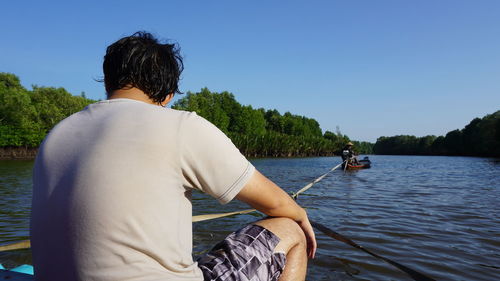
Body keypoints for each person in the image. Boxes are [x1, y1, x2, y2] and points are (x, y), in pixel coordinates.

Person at [30, 31, 316, 281]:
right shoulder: (181, 126)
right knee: (290, 230)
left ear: (108, 81)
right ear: (167, 94)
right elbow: (278, 204)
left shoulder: (56, 134)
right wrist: (300, 216)